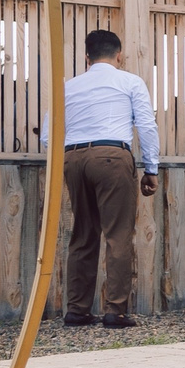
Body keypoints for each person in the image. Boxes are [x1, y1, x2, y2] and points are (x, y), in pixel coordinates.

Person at [49, 28, 161, 329]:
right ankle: (115, 311)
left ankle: (77, 310)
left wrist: (73, 157)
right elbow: (147, 127)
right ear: (119, 55)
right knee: (118, 235)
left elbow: (49, 137)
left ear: (87, 56)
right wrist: (151, 168)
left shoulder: (69, 86)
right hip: (112, 157)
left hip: (73, 158)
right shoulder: (129, 82)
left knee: (82, 235)